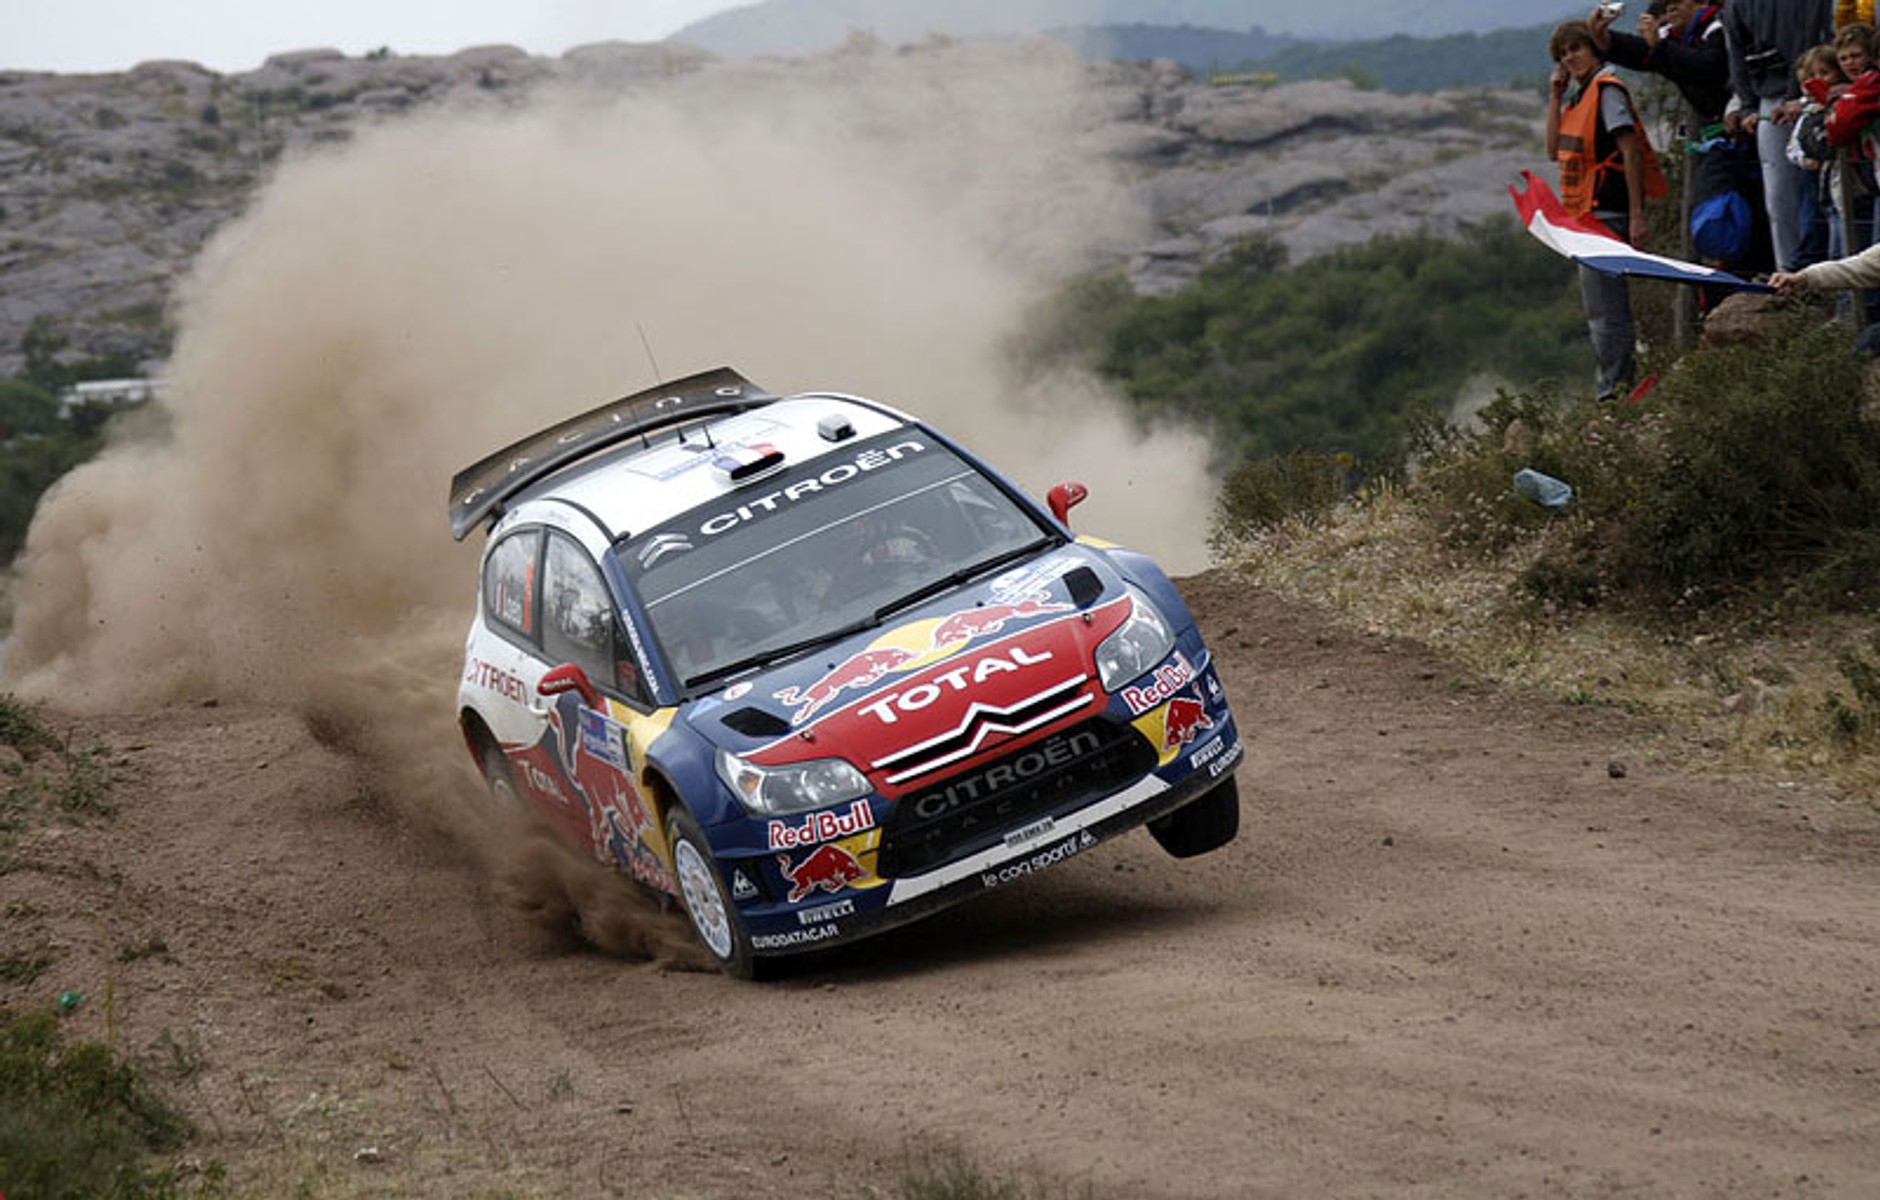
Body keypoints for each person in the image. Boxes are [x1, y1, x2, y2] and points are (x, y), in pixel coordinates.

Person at [1591, 0, 1772, 279]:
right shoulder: (1683, 37)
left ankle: (1763, 277)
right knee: (1729, 217)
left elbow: (1710, 67)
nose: (1670, 7)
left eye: (1678, 1)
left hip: (1748, 137)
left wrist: (1660, 48)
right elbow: (1645, 55)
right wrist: (1605, 39)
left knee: (1743, 216)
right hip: (1724, 141)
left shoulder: (1719, 26)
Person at [1549, 20, 1668, 399]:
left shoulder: (1606, 90)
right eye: (1563, 53)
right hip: (1585, 215)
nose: (1570, 57)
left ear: (1594, 49)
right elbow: (1553, 149)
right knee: (1601, 310)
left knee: (1606, 314)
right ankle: (1616, 388)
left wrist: (1636, 214)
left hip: (1607, 210)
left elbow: (1629, 150)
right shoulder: (1578, 96)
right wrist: (1555, 95)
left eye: (1576, 48)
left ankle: (1615, 393)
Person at [1724, 0, 1836, 271]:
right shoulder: (1736, 6)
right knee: (1779, 194)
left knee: (1823, 192)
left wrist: (1794, 95)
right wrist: (1748, 103)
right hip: (1768, 98)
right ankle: (1789, 269)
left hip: (1815, 90)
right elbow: (1737, 53)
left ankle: (1829, 270)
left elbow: (1810, 37)